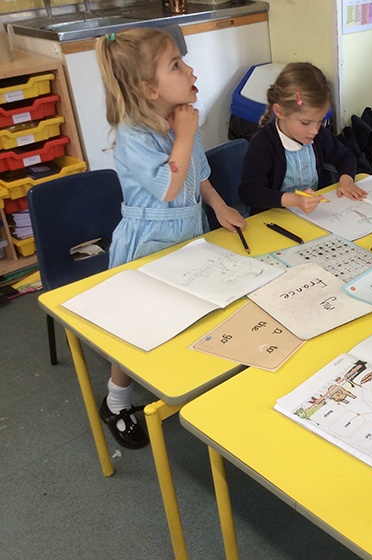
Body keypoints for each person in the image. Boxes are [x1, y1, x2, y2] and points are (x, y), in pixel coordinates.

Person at [95, 28, 247, 448]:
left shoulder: (181, 118)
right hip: (147, 242)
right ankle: (116, 399)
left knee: (188, 311)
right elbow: (167, 186)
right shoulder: (134, 135)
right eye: (176, 65)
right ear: (149, 89)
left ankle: (186, 380)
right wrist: (185, 134)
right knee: (135, 329)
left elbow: (197, 174)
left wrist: (219, 206)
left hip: (187, 234)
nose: (190, 71)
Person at [237, 62, 366, 214]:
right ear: (280, 112)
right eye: (305, 122)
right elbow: (249, 191)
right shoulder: (263, 144)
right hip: (273, 218)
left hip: (312, 215)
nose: (314, 130)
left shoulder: (318, 135)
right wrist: (293, 200)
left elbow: (345, 157)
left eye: (320, 121)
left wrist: (346, 180)